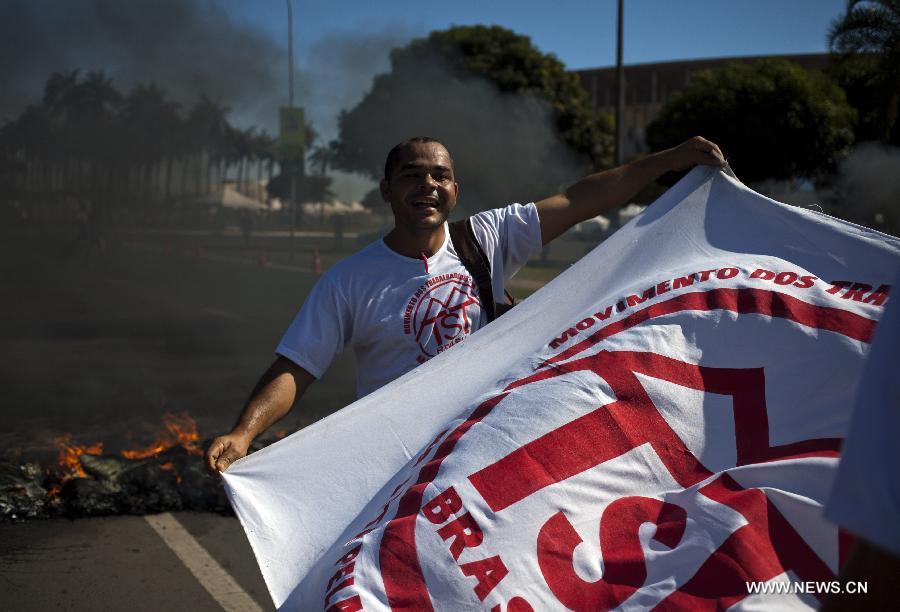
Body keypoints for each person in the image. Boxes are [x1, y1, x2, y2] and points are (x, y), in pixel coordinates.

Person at [206, 135, 725, 473]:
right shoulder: (348, 280)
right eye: (412, 174)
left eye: (439, 175)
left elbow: (579, 200)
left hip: (485, 451)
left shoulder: (488, 238)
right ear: (387, 189)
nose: (427, 184)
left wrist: (670, 160)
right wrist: (244, 432)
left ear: (454, 190)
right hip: (395, 462)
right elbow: (297, 365)